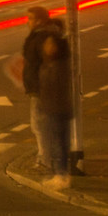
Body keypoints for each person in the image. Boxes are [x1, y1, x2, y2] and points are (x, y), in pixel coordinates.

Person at [28, 32, 74, 186]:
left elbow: (54, 88)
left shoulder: (57, 65)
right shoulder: (51, 63)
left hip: (56, 109)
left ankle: (61, 175)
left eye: (50, 44)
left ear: (57, 47)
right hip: (53, 108)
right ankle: (60, 174)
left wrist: (45, 106)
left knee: (58, 144)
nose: (46, 47)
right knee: (57, 143)